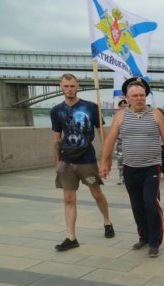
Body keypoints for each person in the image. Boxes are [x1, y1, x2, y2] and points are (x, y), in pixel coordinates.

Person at [99, 77, 164, 258]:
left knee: (151, 204)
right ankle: (143, 236)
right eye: (135, 96)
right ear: (127, 98)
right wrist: (104, 161)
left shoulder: (156, 115)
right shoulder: (120, 116)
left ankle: (154, 241)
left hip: (151, 168)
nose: (139, 98)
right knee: (137, 206)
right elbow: (110, 139)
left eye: (142, 95)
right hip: (130, 169)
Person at [50, 73, 115, 251]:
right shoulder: (56, 111)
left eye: (72, 86)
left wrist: (105, 158)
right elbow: (56, 137)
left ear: (77, 86)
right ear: (60, 87)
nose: (69, 89)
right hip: (66, 161)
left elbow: (102, 134)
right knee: (69, 199)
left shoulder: (92, 108)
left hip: (87, 160)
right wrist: (57, 163)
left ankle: (107, 221)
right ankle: (71, 236)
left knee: (96, 194)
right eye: (66, 86)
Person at [114, 99, 128, 184]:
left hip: (130, 142)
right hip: (120, 143)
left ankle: (128, 178)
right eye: (121, 106)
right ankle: (122, 178)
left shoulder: (132, 115)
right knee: (120, 162)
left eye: (125, 106)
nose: (123, 107)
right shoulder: (116, 116)